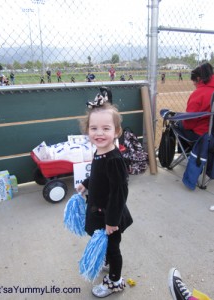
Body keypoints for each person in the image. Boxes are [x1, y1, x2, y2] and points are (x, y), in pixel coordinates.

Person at [76, 97, 133, 298]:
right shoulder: (100, 151)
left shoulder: (114, 160)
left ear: (116, 131)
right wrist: (86, 182)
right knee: (106, 246)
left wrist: (111, 222)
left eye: (106, 129)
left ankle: (114, 281)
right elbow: (98, 176)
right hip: (99, 212)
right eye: (94, 128)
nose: (99, 133)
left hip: (110, 216)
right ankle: (106, 259)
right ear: (87, 130)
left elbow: (119, 192)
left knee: (113, 248)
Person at [175, 63, 214, 144]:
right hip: (211, 133)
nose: (193, 84)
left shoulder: (199, 93)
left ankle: (189, 153)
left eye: (194, 81)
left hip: (201, 135)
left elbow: (189, 123)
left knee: (177, 124)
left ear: (199, 79)